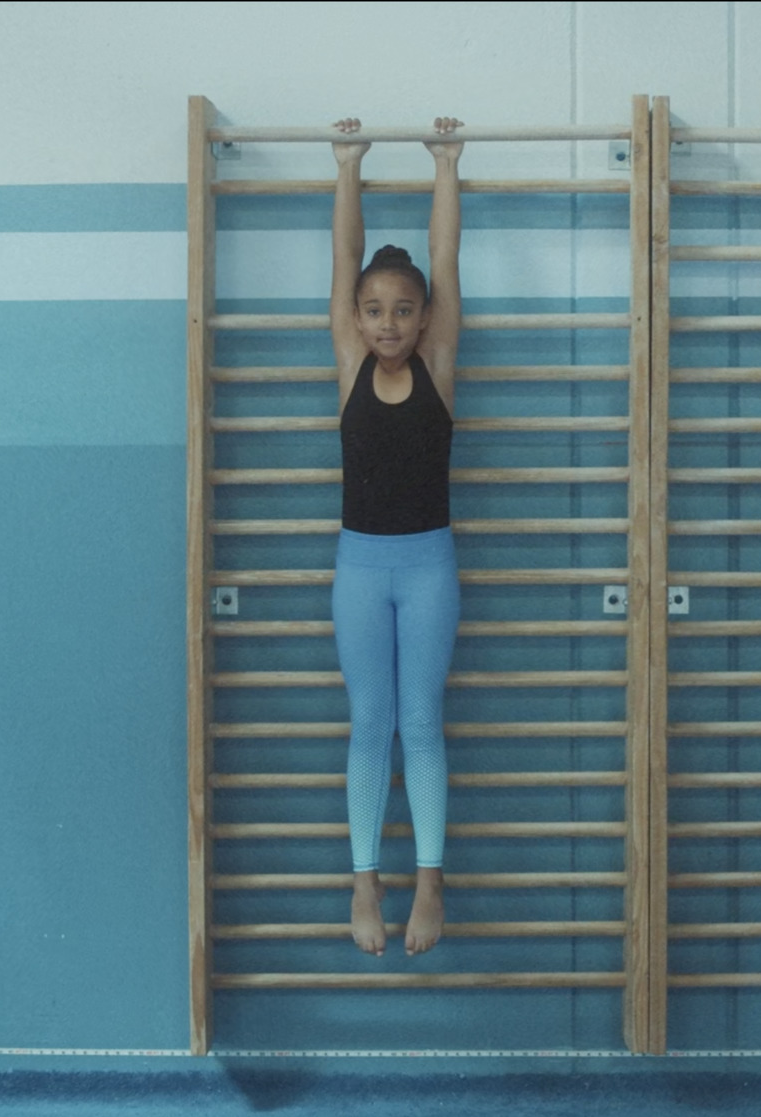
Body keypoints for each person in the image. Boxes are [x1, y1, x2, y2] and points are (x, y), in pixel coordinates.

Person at [328, 116, 463, 957]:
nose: (386, 323)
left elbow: (444, 262)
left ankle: (431, 884)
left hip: (428, 569)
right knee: (369, 720)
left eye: (402, 312)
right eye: (373, 311)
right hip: (359, 567)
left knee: (422, 722)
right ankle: (365, 882)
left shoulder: (438, 363)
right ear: (357, 319)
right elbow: (345, 263)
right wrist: (349, 166)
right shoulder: (347, 360)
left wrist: (445, 166)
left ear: (423, 321)